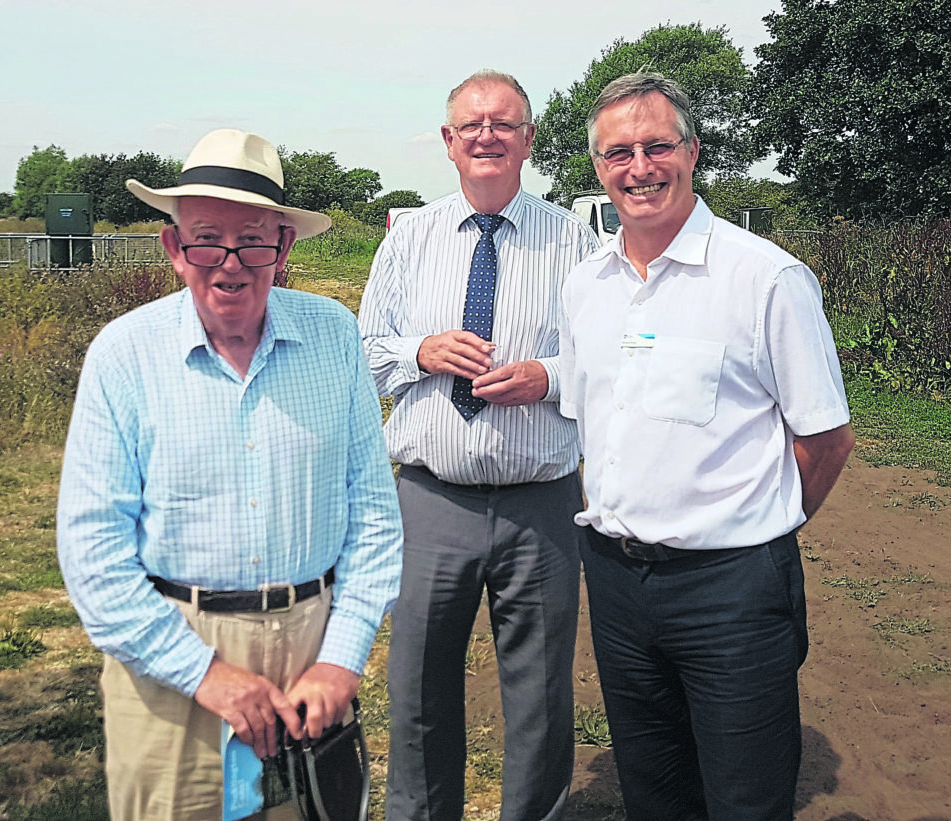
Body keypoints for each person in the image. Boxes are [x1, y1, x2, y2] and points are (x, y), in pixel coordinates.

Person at [56, 128, 403, 821]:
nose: (231, 264)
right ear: (174, 247)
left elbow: (374, 515)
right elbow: (93, 557)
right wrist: (207, 675)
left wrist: (342, 657)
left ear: (284, 248)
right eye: (207, 239)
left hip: (313, 654)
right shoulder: (123, 355)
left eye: (254, 241)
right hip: (169, 661)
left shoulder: (334, 334)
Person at [558, 72, 857, 821]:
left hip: (732, 590)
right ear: (597, 166)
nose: (640, 167)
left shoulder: (765, 277)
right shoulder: (584, 287)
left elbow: (825, 437)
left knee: (745, 798)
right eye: (618, 151)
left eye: (658, 145)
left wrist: (752, 530)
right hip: (619, 585)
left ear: (693, 150)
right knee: (654, 792)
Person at [358, 70, 599, 821]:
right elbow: (364, 351)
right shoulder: (409, 241)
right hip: (432, 497)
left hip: (542, 502)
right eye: (473, 125)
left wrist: (547, 377)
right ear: (448, 141)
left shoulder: (577, 240)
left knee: (539, 691)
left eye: (504, 123)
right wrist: (422, 352)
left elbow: (609, 365)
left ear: (529, 138)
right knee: (418, 687)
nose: (487, 136)